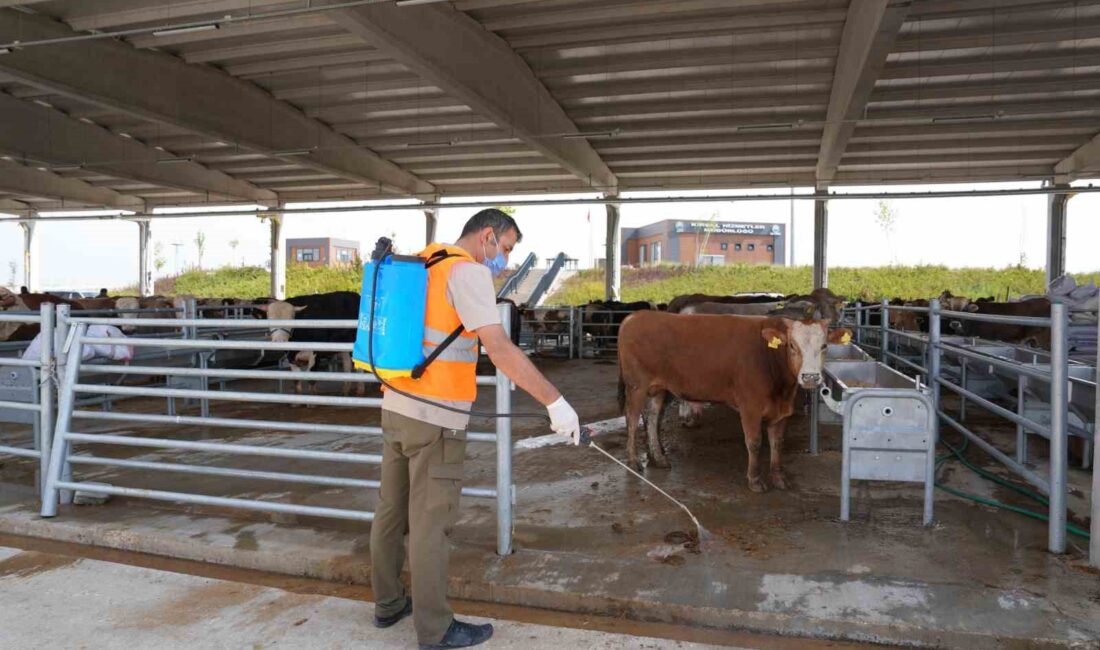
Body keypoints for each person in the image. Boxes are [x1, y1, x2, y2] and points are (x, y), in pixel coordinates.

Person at [370, 208, 580, 649]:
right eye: (504, 249)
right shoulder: (466, 274)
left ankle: (388, 603)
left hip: (396, 405)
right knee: (431, 524)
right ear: (487, 236)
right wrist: (554, 402)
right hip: (436, 418)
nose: (503, 260)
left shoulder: (425, 260)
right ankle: (435, 629)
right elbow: (500, 349)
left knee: (391, 510)